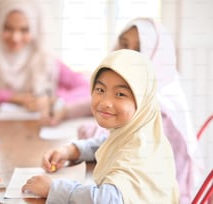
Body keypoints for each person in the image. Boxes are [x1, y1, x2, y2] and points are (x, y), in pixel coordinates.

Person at [22, 49, 179, 203]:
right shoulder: (139, 133)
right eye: (100, 90)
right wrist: (72, 150)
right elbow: (109, 143)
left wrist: (54, 189)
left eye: (120, 94)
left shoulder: (139, 149)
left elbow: (107, 200)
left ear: (142, 100)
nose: (104, 102)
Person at [78, 18, 199, 203]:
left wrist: (59, 190)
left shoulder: (161, 109)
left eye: (138, 50)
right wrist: (76, 148)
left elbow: (109, 196)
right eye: (124, 45)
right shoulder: (133, 96)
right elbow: (116, 138)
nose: (127, 54)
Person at [0, 0, 91, 125]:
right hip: (5, 128)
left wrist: (51, 100)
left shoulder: (45, 57)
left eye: (24, 30)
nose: (15, 38)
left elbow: (86, 88)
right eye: (8, 28)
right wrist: (16, 98)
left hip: (41, 128)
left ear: (35, 28)